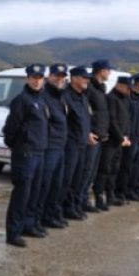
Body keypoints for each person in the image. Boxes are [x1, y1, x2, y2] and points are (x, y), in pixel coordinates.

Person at [2, 64, 49, 248]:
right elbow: (10, 130)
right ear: (27, 79)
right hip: (26, 154)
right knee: (22, 195)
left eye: (39, 78)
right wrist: (20, 147)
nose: (37, 81)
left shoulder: (41, 100)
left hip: (39, 152)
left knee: (34, 193)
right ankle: (13, 233)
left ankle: (28, 226)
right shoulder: (21, 100)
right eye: (33, 78)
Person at [34, 64, 69, 230]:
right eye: (56, 76)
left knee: (57, 184)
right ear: (49, 77)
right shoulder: (44, 96)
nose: (60, 79)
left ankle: (50, 216)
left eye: (62, 76)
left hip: (61, 146)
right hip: (49, 147)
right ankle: (37, 220)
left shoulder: (60, 96)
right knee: (44, 185)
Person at [61, 66, 95, 219]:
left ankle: (73, 206)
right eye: (83, 78)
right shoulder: (66, 97)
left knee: (78, 178)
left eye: (87, 78)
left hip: (82, 143)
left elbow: (85, 119)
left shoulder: (83, 97)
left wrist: (87, 133)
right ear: (74, 78)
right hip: (70, 145)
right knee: (68, 179)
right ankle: (64, 208)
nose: (86, 80)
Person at [98, 76, 131, 207]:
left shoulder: (125, 98)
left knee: (114, 169)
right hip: (111, 140)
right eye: (127, 87)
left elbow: (126, 119)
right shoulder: (111, 98)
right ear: (119, 85)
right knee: (104, 169)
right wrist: (121, 137)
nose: (129, 90)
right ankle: (100, 196)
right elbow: (112, 120)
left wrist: (126, 136)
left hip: (121, 140)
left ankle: (110, 195)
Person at [85, 60, 112, 211]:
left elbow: (103, 113)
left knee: (93, 172)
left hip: (101, 135)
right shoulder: (90, 87)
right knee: (87, 171)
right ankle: (81, 201)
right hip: (92, 136)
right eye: (107, 70)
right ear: (100, 71)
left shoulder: (101, 88)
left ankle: (86, 200)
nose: (109, 73)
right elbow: (87, 112)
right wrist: (89, 131)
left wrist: (104, 131)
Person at [118, 73, 139, 202]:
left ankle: (132, 189)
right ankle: (122, 191)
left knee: (136, 166)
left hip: (137, 136)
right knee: (126, 166)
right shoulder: (129, 99)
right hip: (129, 136)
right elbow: (126, 120)